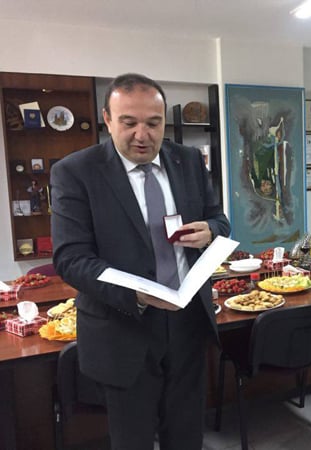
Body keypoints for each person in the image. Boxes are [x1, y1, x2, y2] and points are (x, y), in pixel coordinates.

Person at [51, 73, 230, 450]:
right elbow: (70, 258)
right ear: (107, 119)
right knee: (132, 439)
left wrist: (211, 230)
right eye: (129, 122)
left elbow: (219, 217)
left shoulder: (187, 160)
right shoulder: (76, 172)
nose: (142, 135)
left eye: (153, 123)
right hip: (122, 328)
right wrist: (135, 293)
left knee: (186, 436)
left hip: (187, 322)